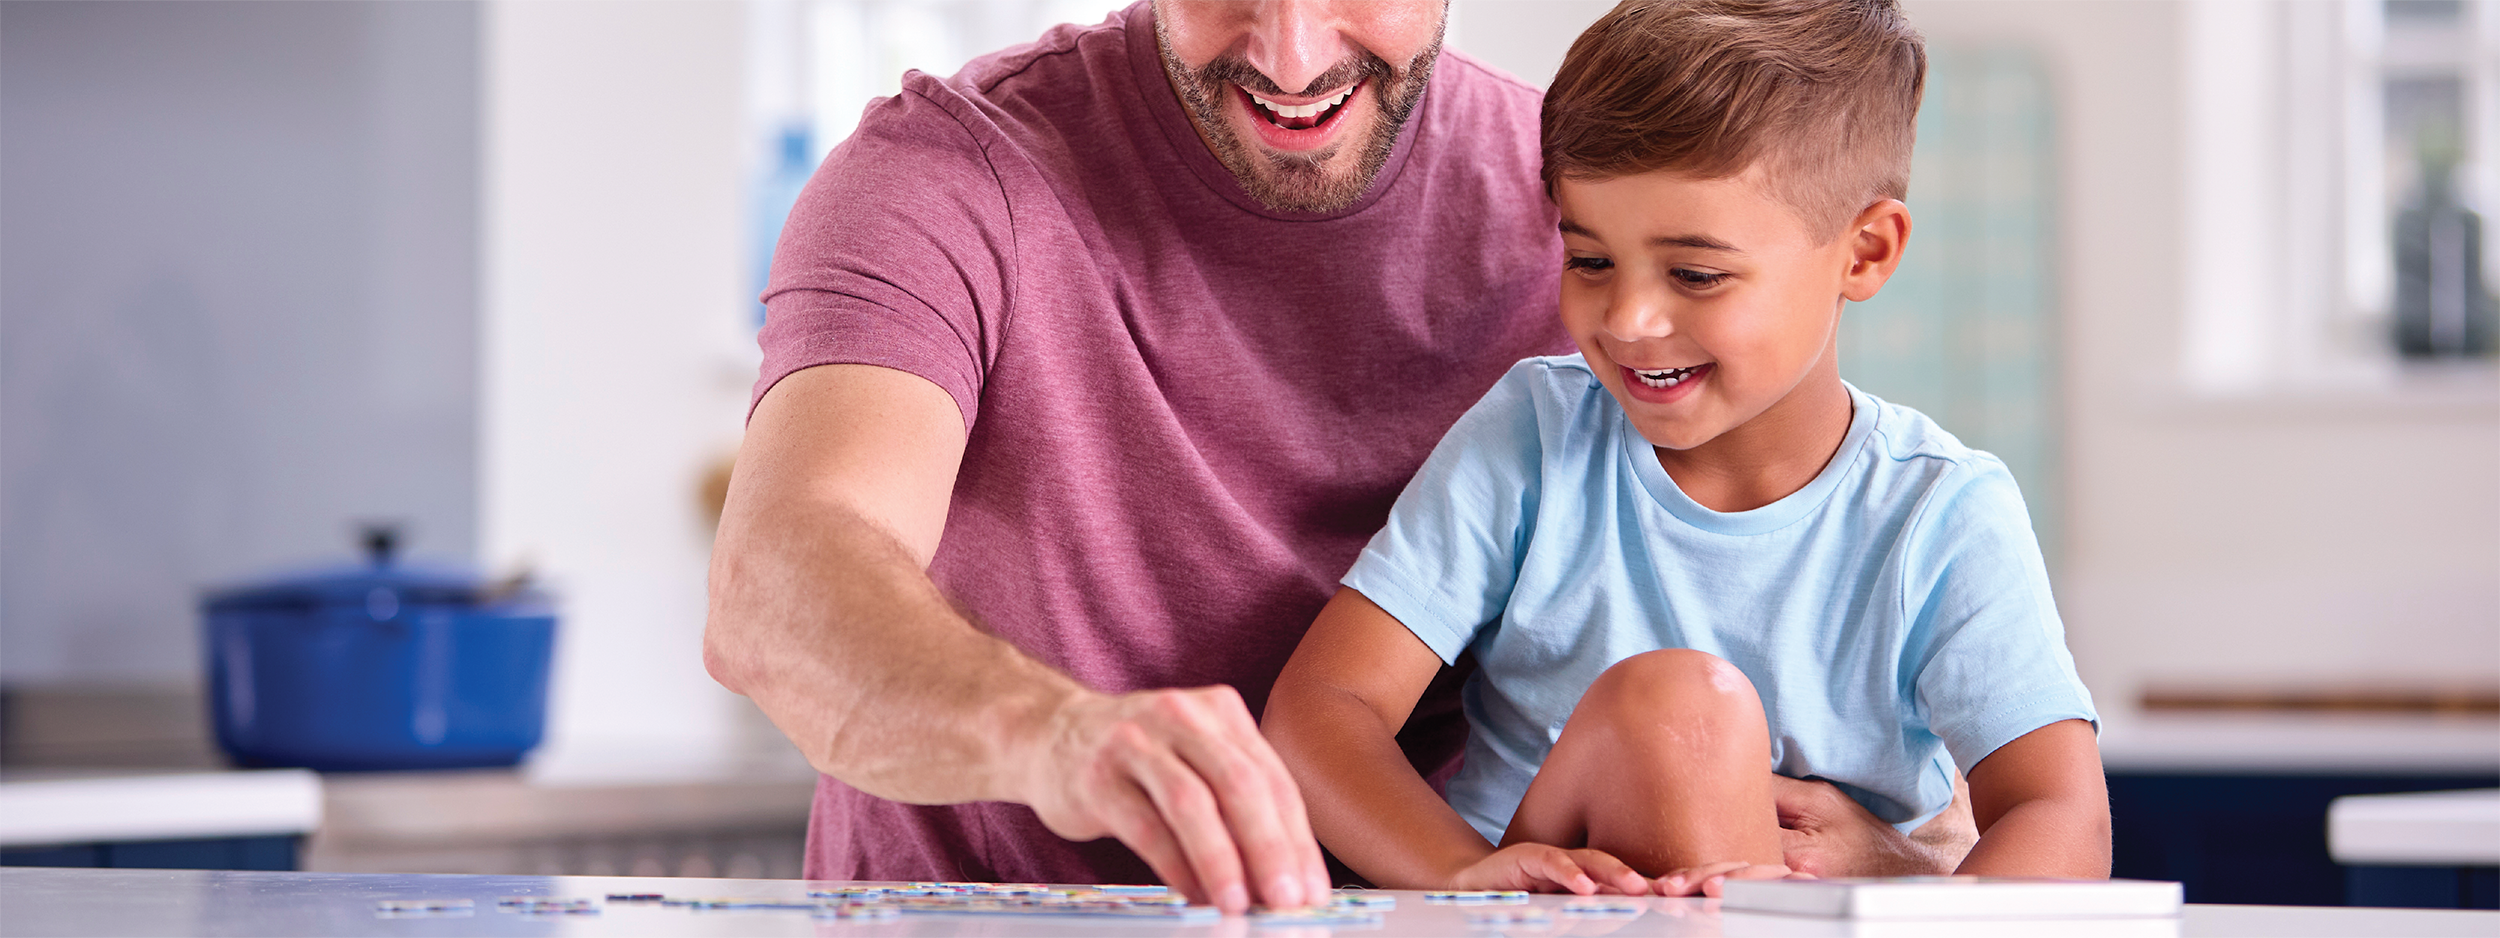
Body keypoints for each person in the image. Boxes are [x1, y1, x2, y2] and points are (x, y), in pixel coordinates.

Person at [704, 0, 1977, 913]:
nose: (1291, 50)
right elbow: (780, 581)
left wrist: (1903, 865)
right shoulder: (948, 177)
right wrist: (1052, 735)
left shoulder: (1592, 218)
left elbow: (1796, 597)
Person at [1262, 0, 2108, 899]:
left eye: (1696, 274)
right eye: (1589, 260)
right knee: (1679, 714)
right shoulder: (1535, 438)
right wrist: (1465, 875)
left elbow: (2059, 814)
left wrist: (1908, 903)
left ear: (1864, 253)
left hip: (1812, 920)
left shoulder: (1943, 512)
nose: (1627, 321)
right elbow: (1322, 714)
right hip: (1532, 919)